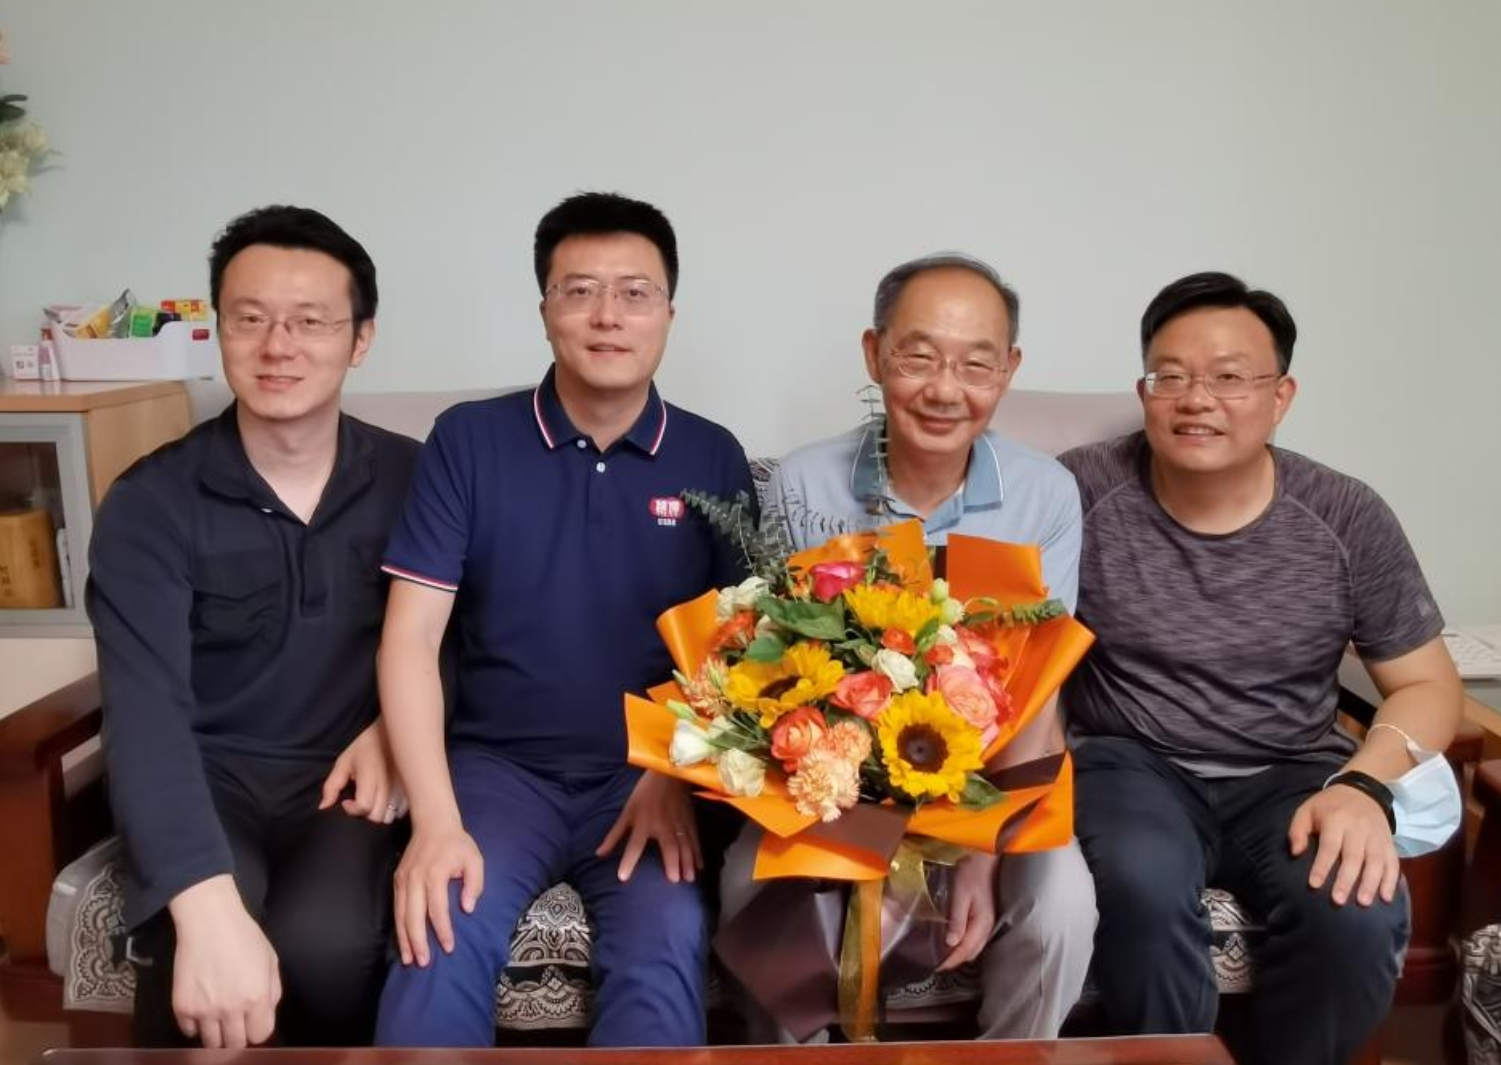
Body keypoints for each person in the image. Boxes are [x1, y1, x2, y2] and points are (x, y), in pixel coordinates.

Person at [373, 191, 754, 1047]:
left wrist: (673, 773)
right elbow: (411, 636)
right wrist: (434, 820)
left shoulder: (712, 453)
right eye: (580, 290)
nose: (607, 316)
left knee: (665, 943)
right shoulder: (468, 440)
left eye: (634, 293)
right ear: (545, 309)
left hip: (644, 773)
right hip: (496, 773)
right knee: (436, 931)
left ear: (668, 313)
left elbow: (741, 649)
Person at [1059, 271, 1464, 1065]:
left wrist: (1362, 784)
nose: (1194, 399)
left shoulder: (1345, 515)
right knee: (1140, 882)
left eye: (1228, 377)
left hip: (1291, 770)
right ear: (1143, 391)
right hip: (1129, 763)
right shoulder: (1079, 490)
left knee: (1355, 908)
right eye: (1169, 376)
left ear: (1280, 396)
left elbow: (1426, 683)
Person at [729, 252, 1097, 1040]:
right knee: (744, 881)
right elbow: (774, 666)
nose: (944, 388)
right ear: (873, 355)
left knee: (1063, 903)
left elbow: (1039, 690)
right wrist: (841, 800)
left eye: (975, 364)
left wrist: (982, 850)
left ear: (1008, 371)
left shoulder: (1044, 494)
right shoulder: (803, 483)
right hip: (835, 782)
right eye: (918, 356)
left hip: (990, 781)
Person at [87, 205, 420, 1048]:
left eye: (311, 321)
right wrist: (204, 905)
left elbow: (457, 637)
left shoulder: (418, 479)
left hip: (345, 777)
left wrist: (396, 730)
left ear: (360, 339)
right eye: (250, 319)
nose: (278, 346)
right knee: (194, 943)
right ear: (219, 331)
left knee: (327, 946)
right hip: (207, 773)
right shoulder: (150, 502)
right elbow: (144, 713)